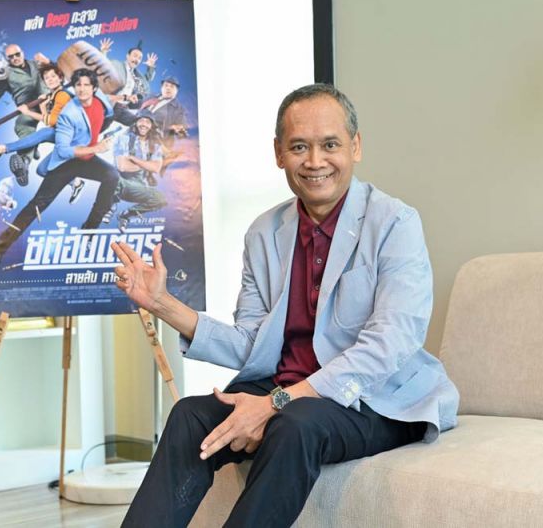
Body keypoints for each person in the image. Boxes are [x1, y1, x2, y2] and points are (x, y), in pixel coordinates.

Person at [110, 84, 460, 527]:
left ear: (355, 146)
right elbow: (252, 344)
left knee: (295, 424)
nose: (314, 161)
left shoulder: (395, 223)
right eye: (298, 147)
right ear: (279, 153)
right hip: (290, 391)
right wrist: (162, 303)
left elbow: (389, 346)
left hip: (375, 398)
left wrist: (276, 402)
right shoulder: (264, 232)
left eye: (330, 144)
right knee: (190, 416)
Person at [0, 68, 120, 274]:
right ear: (74, 87)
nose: (82, 89)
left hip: (87, 159)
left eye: (86, 85)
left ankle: (89, 229)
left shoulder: (102, 104)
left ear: (94, 88)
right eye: (78, 85)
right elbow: (64, 151)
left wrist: (101, 137)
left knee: (112, 175)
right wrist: (96, 148)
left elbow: (108, 116)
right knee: (34, 207)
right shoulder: (69, 113)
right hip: (65, 163)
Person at [0, 62, 85, 202]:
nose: (50, 79)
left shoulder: (62, 95)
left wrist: (27, 112)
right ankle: (76, 183)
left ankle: (0, 149)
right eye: (47, 78)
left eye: (53, 76)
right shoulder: (52, 96)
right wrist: (43, 105)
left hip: (75, 138)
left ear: (60, 78)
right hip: (63, 137)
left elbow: (53, 121)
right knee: (42, 170)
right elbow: (49, 120)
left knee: (44, 132)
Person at [0, 44, 49, 183]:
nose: (15, 58)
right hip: (28, 107)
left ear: (23, 53)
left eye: (17, 54)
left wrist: (48, 62)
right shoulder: (5, 74)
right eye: (11, 57)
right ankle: (24, 162)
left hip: (49, 101)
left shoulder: (35, 64)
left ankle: (34, 145)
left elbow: (57, 74)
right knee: (22, 125)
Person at [110, 109, 167, 232]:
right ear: (135, 122)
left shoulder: (155, 145)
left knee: (160, 199)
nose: (144, 124)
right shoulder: (124, 138)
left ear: (151, 126)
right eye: (141, 120)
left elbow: (156, 168)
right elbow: (122, 166)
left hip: (136, 186)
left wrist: (133, 159)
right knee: (112, 176)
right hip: (119, 183)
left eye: (148, 122)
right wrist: (147, 164)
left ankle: (126, 215)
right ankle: (109, 206)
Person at [100, 38, 157, 109]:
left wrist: (151, 67)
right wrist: (103, 52)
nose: (137, 60)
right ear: (127, 56)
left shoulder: (136, 74)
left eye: (139, 58)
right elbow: (103, 66)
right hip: (111, 103)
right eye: (135, 56)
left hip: (124, 107)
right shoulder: (117, 64)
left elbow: (147, 80)